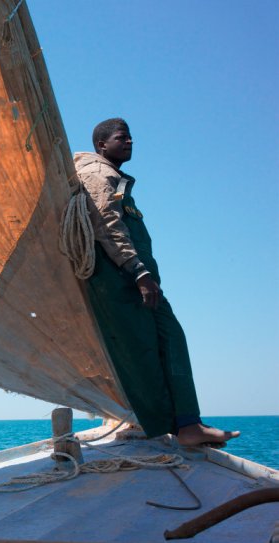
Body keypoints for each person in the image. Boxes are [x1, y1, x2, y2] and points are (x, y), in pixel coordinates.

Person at [74, 118, 239, 446]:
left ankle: (188, 425)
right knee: (143, 349)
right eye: (123, 138)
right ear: (101, 145)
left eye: (132, 137)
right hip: (121, 279)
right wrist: (139, 272)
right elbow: (106, 224)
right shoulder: (97, 174)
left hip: (136, 280)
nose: (131, 142)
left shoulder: (117, 179)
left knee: (170, 337)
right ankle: (158, 423)